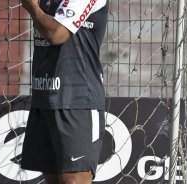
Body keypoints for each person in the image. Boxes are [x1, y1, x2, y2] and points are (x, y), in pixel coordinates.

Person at [20, 0, 108, 183]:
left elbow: (56, 34)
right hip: (44, 97)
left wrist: (33, 7)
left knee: (73, 180)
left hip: (78, 101)